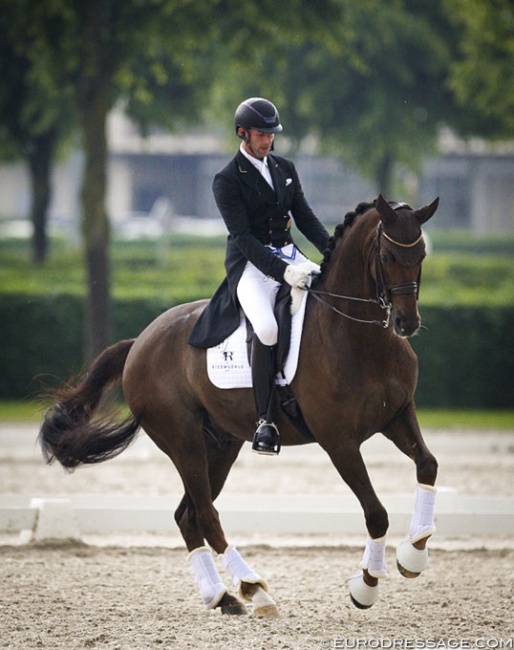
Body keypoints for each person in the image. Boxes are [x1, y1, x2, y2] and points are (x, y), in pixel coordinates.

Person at [189, 97, 329, 455]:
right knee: (267, 328)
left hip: (290, 256)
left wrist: (333, 252)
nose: (268, 140)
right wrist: (284, 272)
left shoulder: (285, 168)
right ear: (243, 133)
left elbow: (306, 218)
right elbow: (245, 240)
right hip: (250, 268)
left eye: (271, 134)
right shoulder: (227, 179)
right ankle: (266, 419)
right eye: (261, 134)